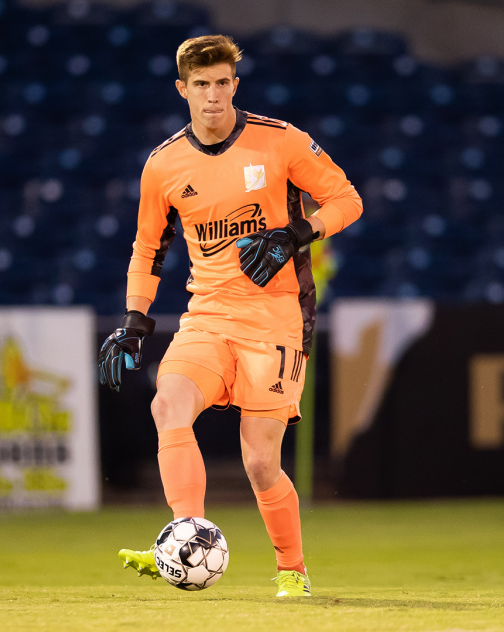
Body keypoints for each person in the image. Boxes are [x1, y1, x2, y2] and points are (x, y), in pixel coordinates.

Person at [99, 34, 362, 597]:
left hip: (277, 317)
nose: (213, 95)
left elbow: (347, 200)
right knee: (167, 404)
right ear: (182, 90)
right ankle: (183, 536)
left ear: (235, 85)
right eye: (201, 85)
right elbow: (147, 250)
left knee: (259, 462)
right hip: (208, 317)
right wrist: (133, 321)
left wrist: (297, 233)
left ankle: (292, 569)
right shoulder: (164, 165)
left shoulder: (280, 141)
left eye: (222, 83)